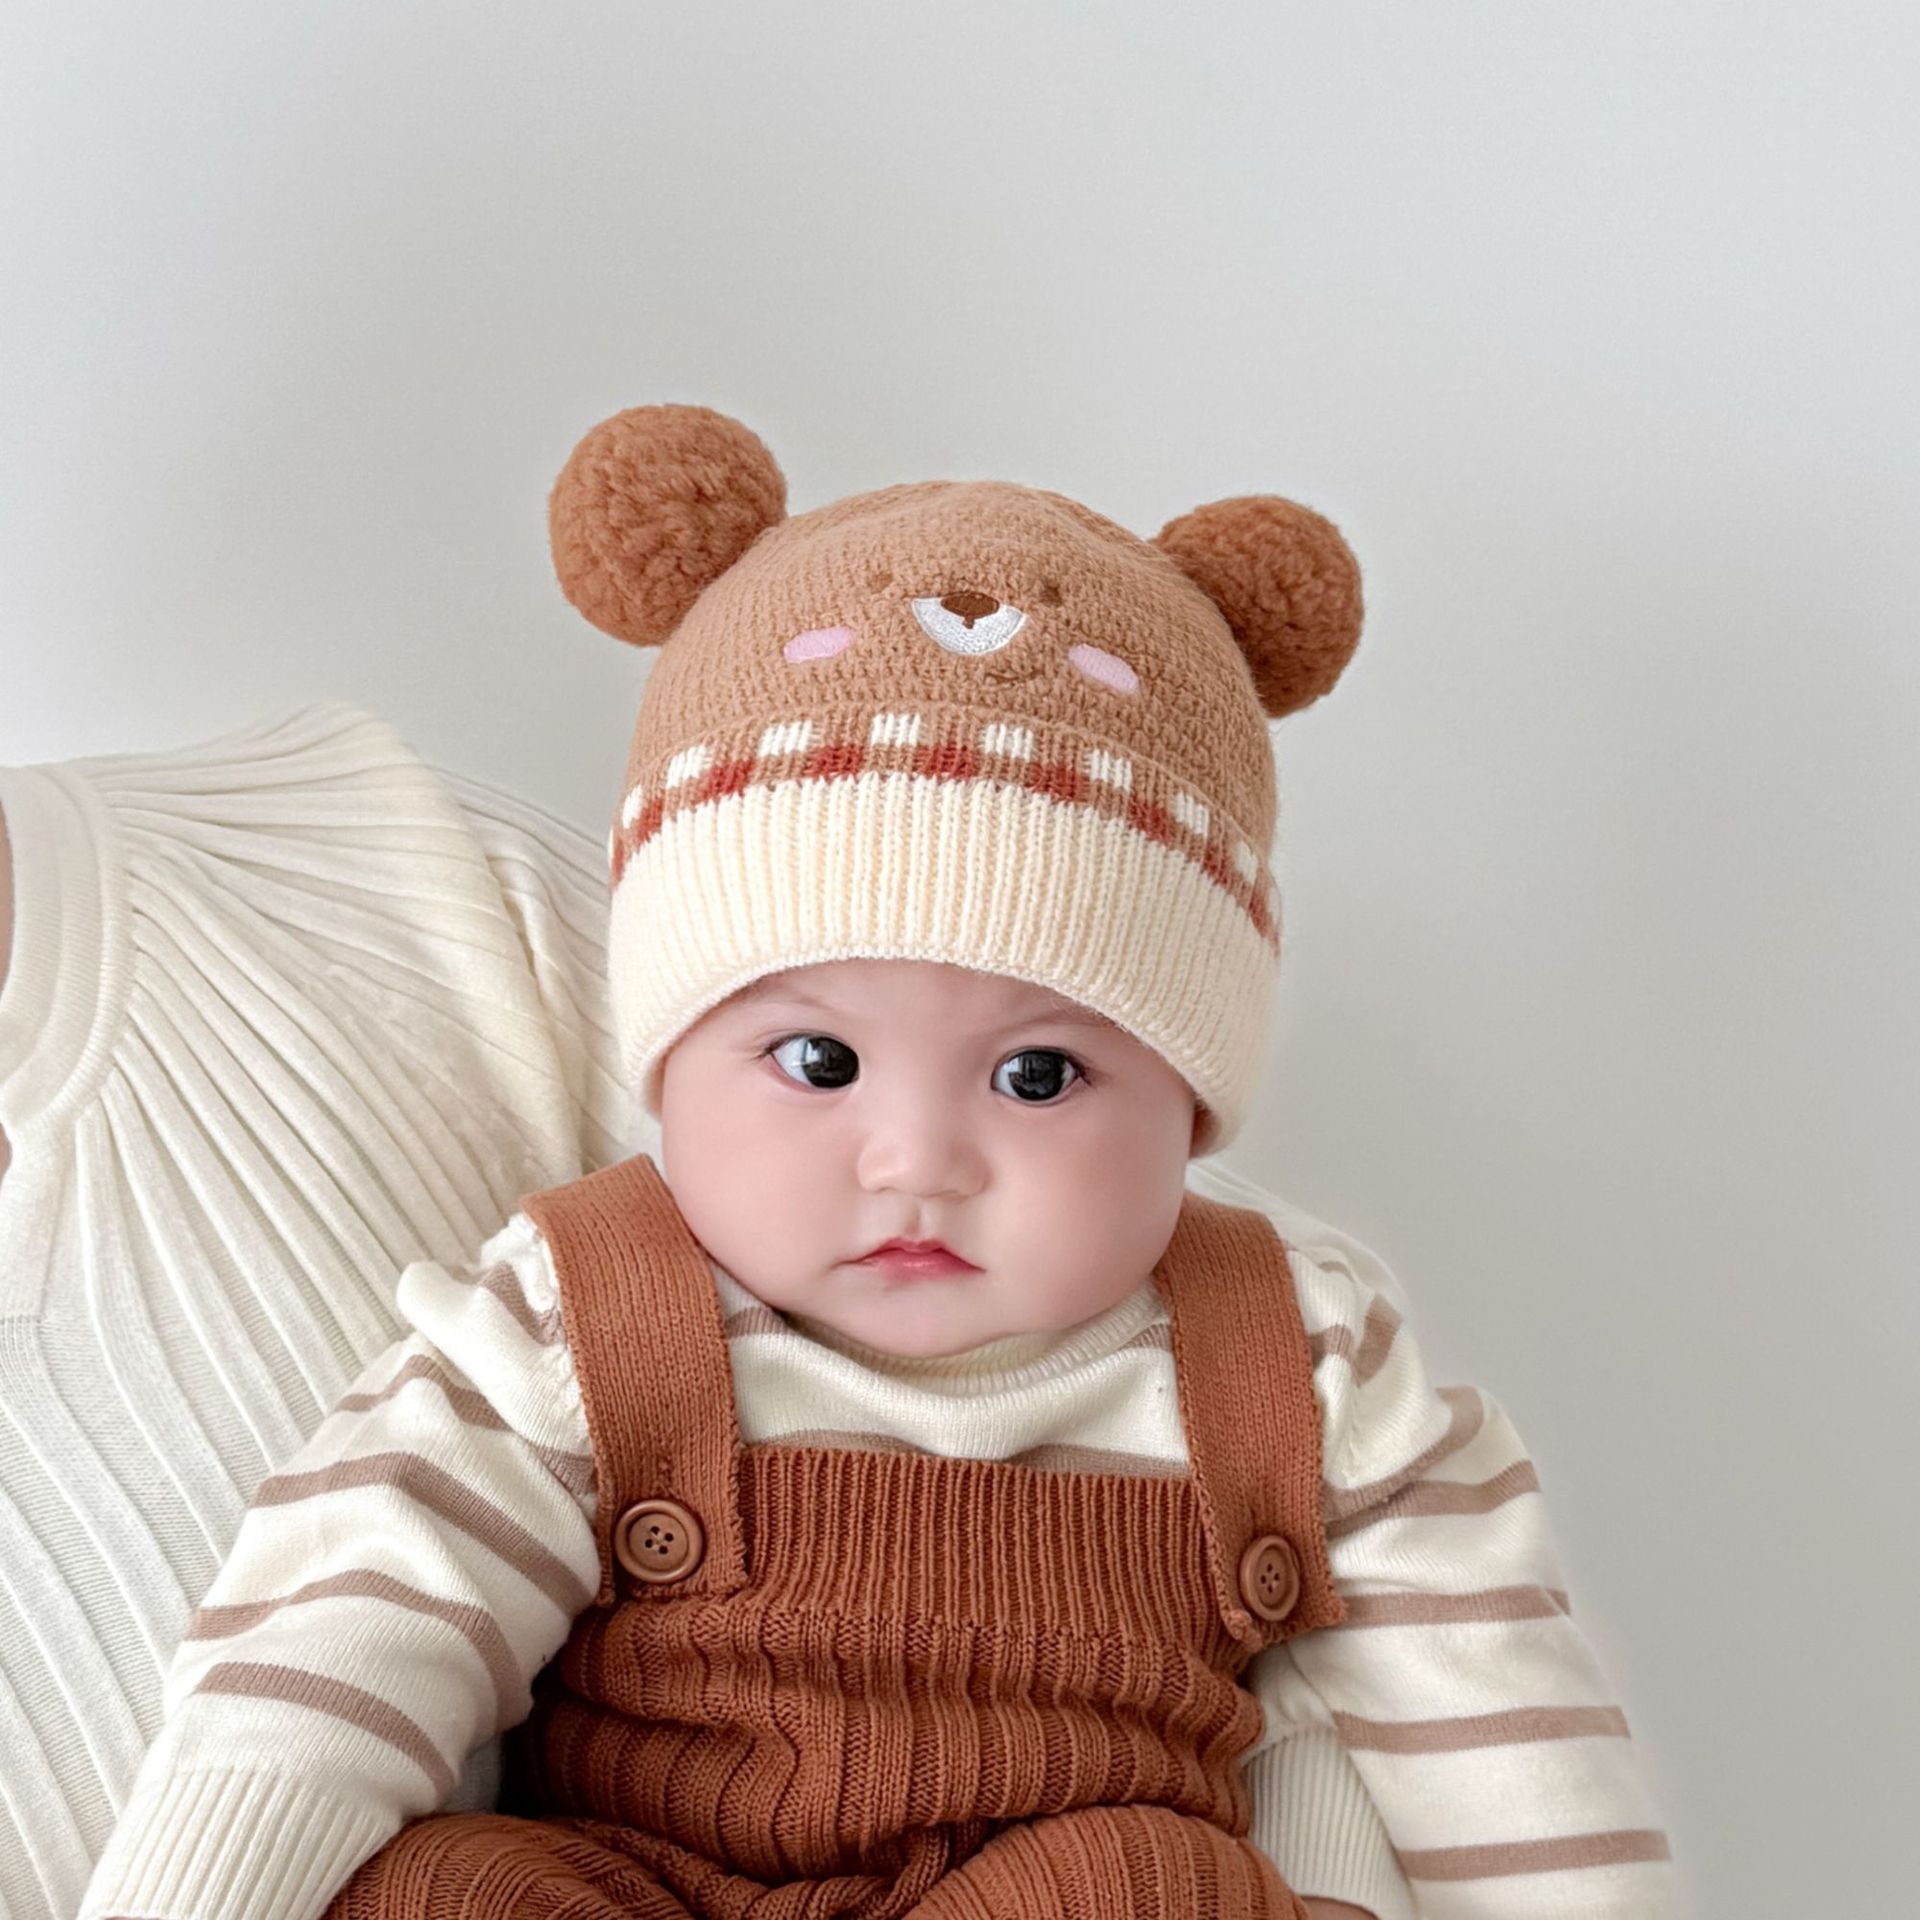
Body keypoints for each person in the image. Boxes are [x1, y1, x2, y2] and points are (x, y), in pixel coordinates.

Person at [60, 401, 1674, 1918]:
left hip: (1053, 1877)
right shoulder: (579, 1312)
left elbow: (1503, 1731)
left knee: (1154, 1887)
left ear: (1190, 1103)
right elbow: (339, 1645)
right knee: (436, 1893)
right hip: (648, 1880)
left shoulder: (1296, 1353)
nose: (917, 1158)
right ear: (669, 1067)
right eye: (816, 1062)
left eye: (1040, 1074)